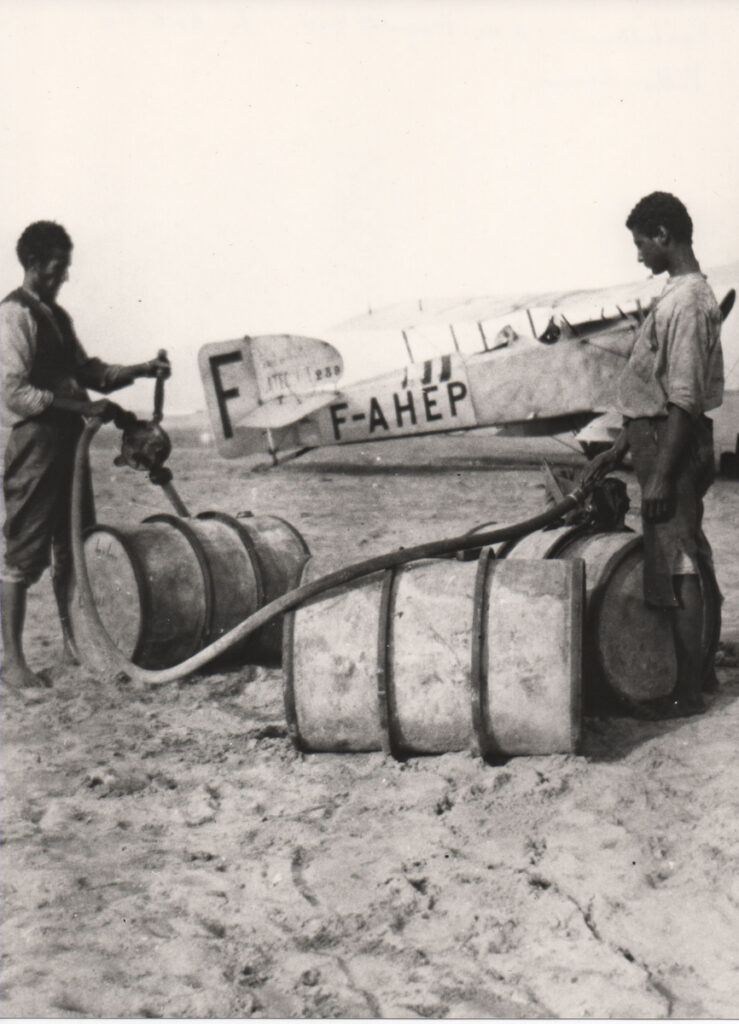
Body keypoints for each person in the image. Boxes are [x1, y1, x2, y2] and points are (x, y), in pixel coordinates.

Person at [1, 220, 171, 691]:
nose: (63, 277)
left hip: (68, 446)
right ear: (33, 264)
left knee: (73, 548)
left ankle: (74, 645)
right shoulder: (15, 315)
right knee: (23, 553)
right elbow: (14, 392)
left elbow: (89, 371)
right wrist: (81, 406)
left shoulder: (55, 316)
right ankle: (12, 663)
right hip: (36, 443)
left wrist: (141, 369)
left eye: (66, 268)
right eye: (57, 267)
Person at [583, 192, 724, 718]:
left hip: (672, 445)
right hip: (657, 440)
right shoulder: (678, 294)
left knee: (679, 564)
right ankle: (700, 670)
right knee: (684, 554)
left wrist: (661, 479)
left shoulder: (687, 302)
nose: (639, 254)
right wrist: (619, 447)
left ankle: (687, 692)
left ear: (664, 235)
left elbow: (683, 397)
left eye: (641, 243)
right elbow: (657, 390)